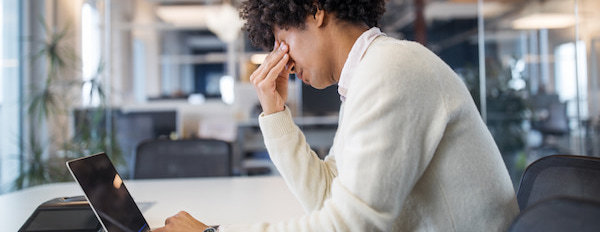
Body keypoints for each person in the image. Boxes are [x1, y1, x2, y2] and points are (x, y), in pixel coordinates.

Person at [154, 0, 519, 231]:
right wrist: (275, 113)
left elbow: (349, 226)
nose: (283, 60)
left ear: (315, 10)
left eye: (282, 41)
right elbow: (328, 198)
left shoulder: (393, 69)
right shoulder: (369, 74)